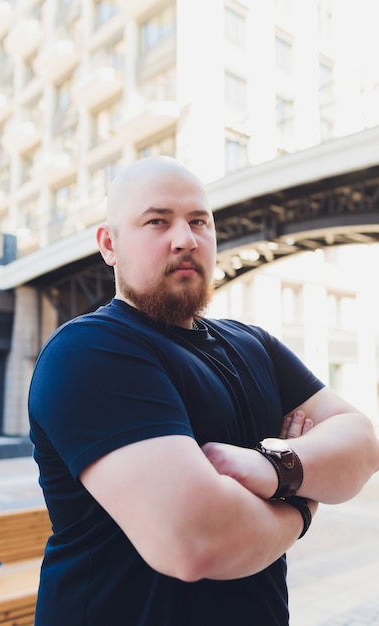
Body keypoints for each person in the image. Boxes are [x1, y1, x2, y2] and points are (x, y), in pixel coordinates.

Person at [28, 156, 379, 626]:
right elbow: (195, 542)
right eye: (158, 221)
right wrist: (303, 500)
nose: (186, 239)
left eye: (199, 221)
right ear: (109, 244)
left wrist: (272, 469)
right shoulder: (89, 350)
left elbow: (362, 443)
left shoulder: (254, 344)